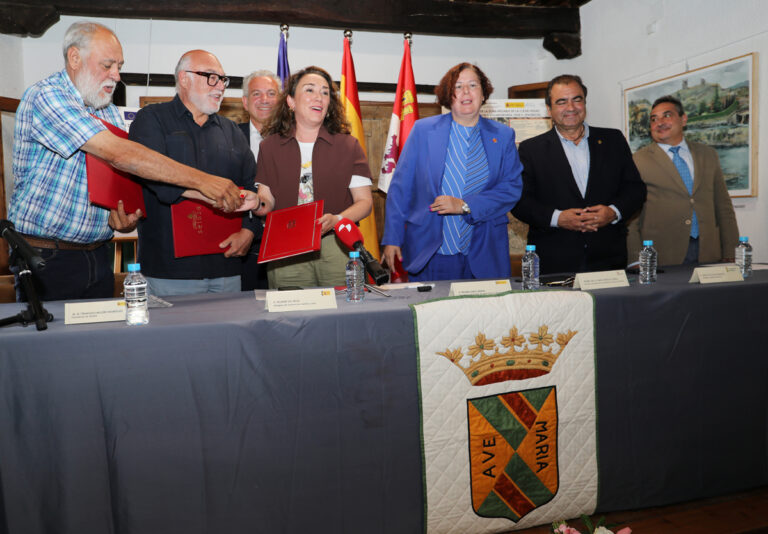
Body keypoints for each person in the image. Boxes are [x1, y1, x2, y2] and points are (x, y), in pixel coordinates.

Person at [8, 21, 247, 302]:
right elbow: (121, 155)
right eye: (108, 65)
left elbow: (113, 188)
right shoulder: (46, 97)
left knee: (98, 344)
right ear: (74, 58)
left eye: (119, 65)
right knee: (48, 345)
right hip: (46, 256)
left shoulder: (107, 111)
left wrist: (118, 220)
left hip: (97, 255)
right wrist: (205, 182)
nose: (116, 75)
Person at [128, 49, 274, 296]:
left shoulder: (231, 131)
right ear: (184, 79)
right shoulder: (151, 120)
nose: (220, 87)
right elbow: (154, 179)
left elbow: (252, 185)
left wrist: (249, 231)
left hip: (226, 267)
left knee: (228, 335)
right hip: (170, 269)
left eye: (223, 80)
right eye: (212, 77)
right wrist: (209, 191)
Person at [382, 62, 523, 281]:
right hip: (430, 250)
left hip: (483, 250)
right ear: (449, 95)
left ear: (483, 93)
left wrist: (465, 206)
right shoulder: (423, 130)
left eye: (473, 85)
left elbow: (511, 188)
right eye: (458, 86)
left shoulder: (503, 135)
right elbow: (401, 187)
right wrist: (392, 237)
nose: (466, 92)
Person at [511, 74, 646, 275]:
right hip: (554, 260)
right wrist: (558, 218)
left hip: (608, 258)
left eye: (577, 99)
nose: (571, 107)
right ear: (549, 109)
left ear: (584, 102)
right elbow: (520, 201)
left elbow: (635, 189)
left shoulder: (613, 140)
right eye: (561, 101)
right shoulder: (531, 149)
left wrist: (613, 212)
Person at [256, 66, 373, 289]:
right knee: (292, 318)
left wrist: (337, 220)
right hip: (286, 244)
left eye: (325, 92)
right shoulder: (269, 147)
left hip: (336, 244)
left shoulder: (348, 145)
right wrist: (256, 204)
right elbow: (266, 199)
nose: (319, 96)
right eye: (309, 90)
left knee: (342, 316)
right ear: (290, 101)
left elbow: (365, 202)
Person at [627, 95, 739, 265]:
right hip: (662, 254)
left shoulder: (708, 155)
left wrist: (731, 249)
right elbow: (631, 216)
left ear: (683, 119)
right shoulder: (638, 160)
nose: (659, 122)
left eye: (667, 115)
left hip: (708, 251)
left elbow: (723, 206)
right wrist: (635, 259)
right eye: (653, 119)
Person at [239, 70, 281, 290]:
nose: (264, 100)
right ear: (245, 103)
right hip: (242, 243)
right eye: (257, 94)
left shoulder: (296, 139)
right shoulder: (229, 138)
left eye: (271, 93)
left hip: (284, 240)